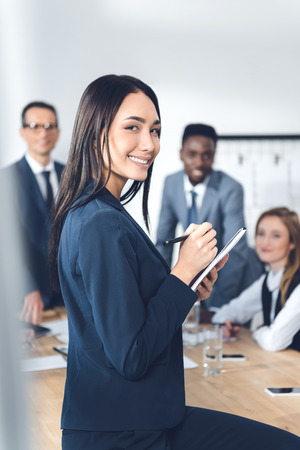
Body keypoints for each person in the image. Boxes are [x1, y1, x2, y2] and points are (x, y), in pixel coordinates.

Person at [49, 75, 300, 449]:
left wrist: (187, 291)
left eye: (155, 130)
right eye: (132, 127)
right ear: (97, 130)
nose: (149, 144)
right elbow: (131, 355)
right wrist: (181, 274)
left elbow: (128, 314)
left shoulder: (95, 212)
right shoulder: (101, 222)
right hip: (124, 430)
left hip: (140, 416)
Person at [156, 123, 264, 309]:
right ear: (181, 154)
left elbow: (235, 251)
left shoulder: (230, 188)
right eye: (192, 154)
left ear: (214, 155)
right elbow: (163, 242)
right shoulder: (171, 183)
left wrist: (216, 307)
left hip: (235, 279)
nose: (199, 162)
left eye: (207, 155)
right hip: (202, 276)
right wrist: (160, 293)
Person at [3, 101, 64, 325]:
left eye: (49, 126)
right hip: (29, 298)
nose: (43, 132)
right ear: (23, 132)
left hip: (69, 294)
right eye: (35, 126)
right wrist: (27, 287)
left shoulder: (72, 176)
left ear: (57, 133)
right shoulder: (6, 180)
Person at [212, 207, 300, 352]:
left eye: (276, 236)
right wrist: (225, 324)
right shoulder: (267, 280)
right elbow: (227, 312)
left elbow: (274, 342)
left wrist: (259, 331)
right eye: (261, 234)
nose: (265, 242)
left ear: (292, 242)